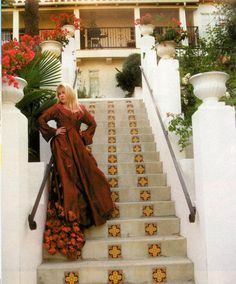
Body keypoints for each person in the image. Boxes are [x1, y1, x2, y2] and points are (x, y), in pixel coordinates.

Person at [38, 83, 114, 260]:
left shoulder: (80, 109)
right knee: (68, 179)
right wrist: (53, 131)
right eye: (59, 93)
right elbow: (41, 119)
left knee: (91, 174)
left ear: (70, 93)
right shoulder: (57, 108)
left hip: (78, 147)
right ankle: (72, 218)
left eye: (63, 93)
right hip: (62, 146)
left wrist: (83, 137)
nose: (61, 95)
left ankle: (89, 211)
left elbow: (92, 123)